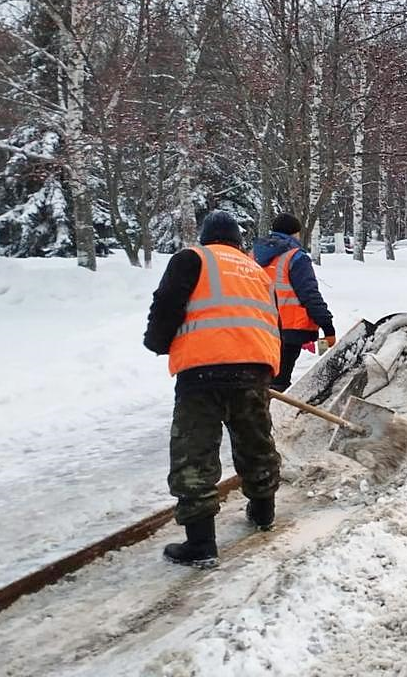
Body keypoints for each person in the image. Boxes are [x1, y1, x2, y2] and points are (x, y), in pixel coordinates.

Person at [144, 211, 283, 567]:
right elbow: (270, 319)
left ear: (206, 238)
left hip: (202, 373)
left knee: (196, 452)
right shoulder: (255, 271)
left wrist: (158, 342)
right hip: (254, 369)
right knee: (256, 442)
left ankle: (201, 544)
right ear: (238, 241)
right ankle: (264, 513)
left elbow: (167, 304)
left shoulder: (193, 258)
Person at [252, 214, 336, 391]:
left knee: (261, 379)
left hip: (257, 327)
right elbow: (309, 294)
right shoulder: (295, 257)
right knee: (278, 384)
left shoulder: (252, 256)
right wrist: (327, 326)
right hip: (289, 330)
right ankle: (274, 415)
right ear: (295, 234)